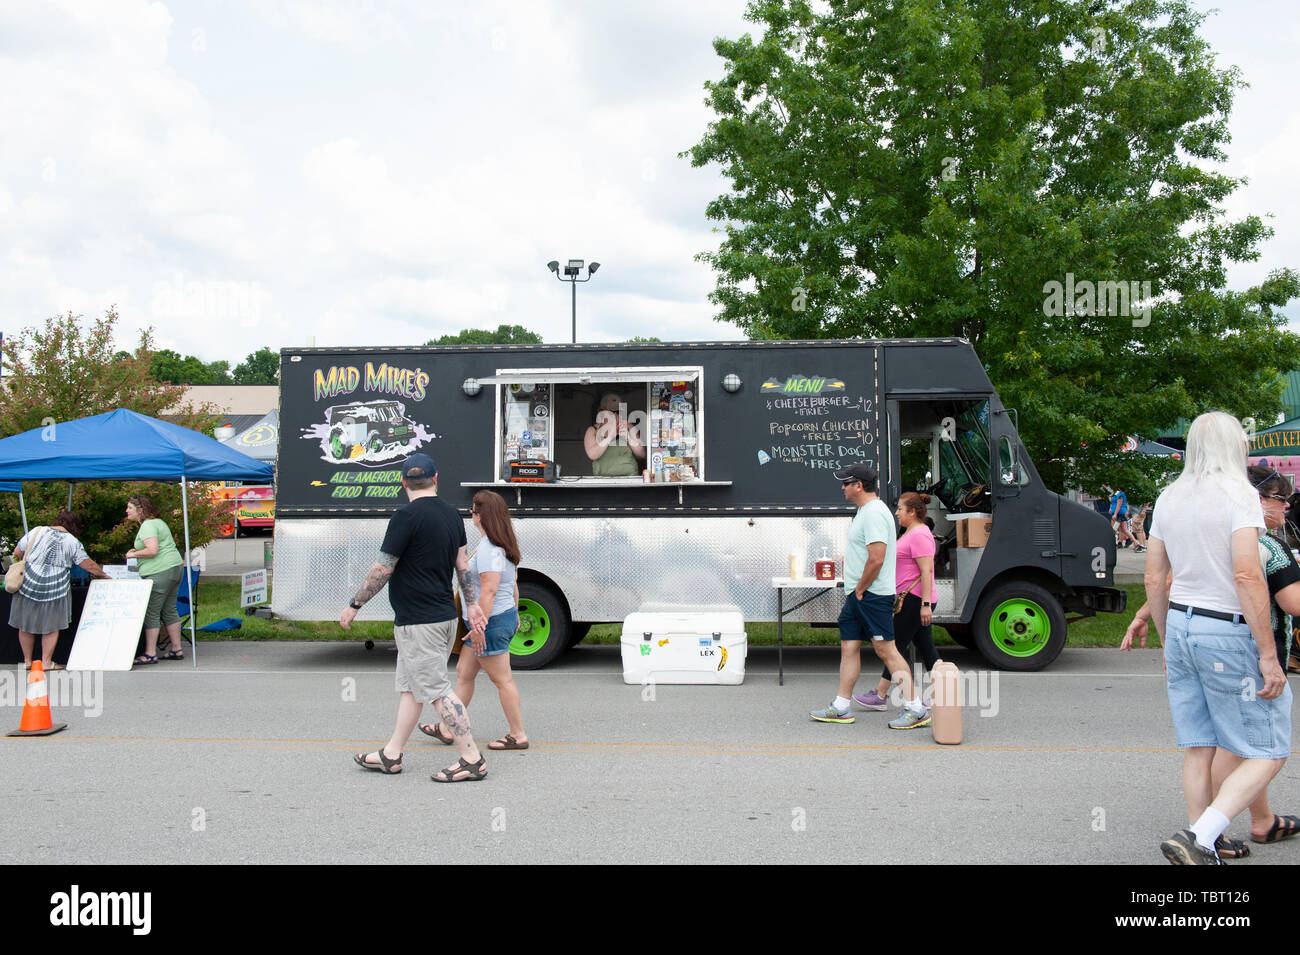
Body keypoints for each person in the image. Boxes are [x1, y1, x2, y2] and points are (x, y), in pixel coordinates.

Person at [1124, 463, 1300, 858]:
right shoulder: (1267, 547)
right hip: (1244, 652)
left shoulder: (1215, 535)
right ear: (1256, 499)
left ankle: (1262, 820)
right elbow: (1293, 602)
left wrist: (1142, 615)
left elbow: (1168, 581)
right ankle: (1202, 834)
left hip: (1193, 639)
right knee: (1254, 747)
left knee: (1216, 743)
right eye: (1279, 498)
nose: (1286, 507)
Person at [340, 453, 491, 782]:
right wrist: (472, 605)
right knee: (411, 688)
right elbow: (462, 566)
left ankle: (472, 758)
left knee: (436, 690)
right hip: (443, 617)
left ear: (403, 482)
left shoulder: (404, 517)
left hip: (418, 622)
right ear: (436, 480)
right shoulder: (453, 515)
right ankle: (391, 754)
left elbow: (383, 568)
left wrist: (355, 604)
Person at [809, 464, 929, 729]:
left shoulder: (874, 513)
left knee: (886, 650)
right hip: (858, 594)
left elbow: (876, 559)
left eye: (845, 483)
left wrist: (861, 588)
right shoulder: (865, 510)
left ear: (858, 485)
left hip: (871, 595)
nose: (842, 488)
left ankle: (916, 708)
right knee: (849, 646)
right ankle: (841, 707)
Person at [419, 490, 529, 750]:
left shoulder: (491, 549)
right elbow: (513, 585)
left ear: (482, 516)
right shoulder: (500, 545)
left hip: (488, 622)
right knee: (464, 673)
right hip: (495, 619)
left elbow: (490, 590)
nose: (471, 515)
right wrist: (513, 613)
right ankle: (448, 727)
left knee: (502, 680)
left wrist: (480, 627)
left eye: (473, 511)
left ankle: (518, 734)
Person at [854, 491, 941, 714]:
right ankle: (941, 694)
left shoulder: (920, 534)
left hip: (914, 600)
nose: (897, 513)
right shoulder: (910, 532)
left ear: (912, 512)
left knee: (895, 647)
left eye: (901, 509)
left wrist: (925, 604)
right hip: (911, 598)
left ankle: (880, 694)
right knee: (925, 646)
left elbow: (927, 571)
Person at [9, 511, 110, 670]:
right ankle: (46, 662)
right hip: (55, 587)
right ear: (74, 526)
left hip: (28, 585)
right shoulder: (72, 541)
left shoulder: (36, 531)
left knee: (25, 623)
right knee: (51, 625)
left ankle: (28, 661)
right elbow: (87, 564)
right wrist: (104, 575)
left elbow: (17, 553)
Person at [124, 495, 187, 664]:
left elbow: (152, 550)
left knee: (152, 611)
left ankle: (150, 653)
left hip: (160, 571)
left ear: (140, 510)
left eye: (130, 508)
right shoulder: (159, 522)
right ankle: (176, 648)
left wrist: (133, 554)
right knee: (169, 608)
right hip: (175, 568)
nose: (127, 511)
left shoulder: (147, 525)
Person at [584, 392, 646, 477]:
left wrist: (628, 438)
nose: (616, 414)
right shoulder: (592, 430)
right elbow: (593, 455)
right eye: (612, 411)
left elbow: (642, 454)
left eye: (618, 411)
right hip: (602, 481)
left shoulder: (628, 426)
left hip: (630, 479)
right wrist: (609, 437)